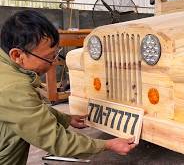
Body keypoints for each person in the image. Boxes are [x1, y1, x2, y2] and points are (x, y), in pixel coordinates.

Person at [0, 10, 136, 165]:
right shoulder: (13, 87)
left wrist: (66, 118)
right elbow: (55, 140)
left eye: (55, 55)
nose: (54, 62)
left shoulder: (7, 69)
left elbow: (28, 109)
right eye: (49, 57)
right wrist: (107, 144)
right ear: (17, 55)